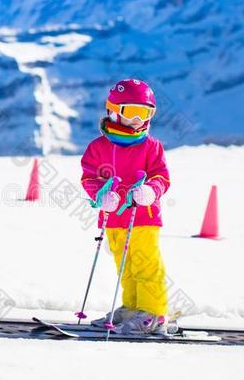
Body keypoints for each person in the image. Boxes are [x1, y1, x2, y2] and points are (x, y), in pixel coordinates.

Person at [80, 78, 171, 334]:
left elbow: (161, 176)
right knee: (125, 266)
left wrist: (151, 191)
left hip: (144, 216)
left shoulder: (151, 146)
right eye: (133, 112)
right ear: (113, 110)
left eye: (146, 113)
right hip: (113, 219)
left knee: (146, 264)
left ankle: (152, 313)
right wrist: (101, 195)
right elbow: (89, 177)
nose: (139, 120)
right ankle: (132, 307)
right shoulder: (98, 148)